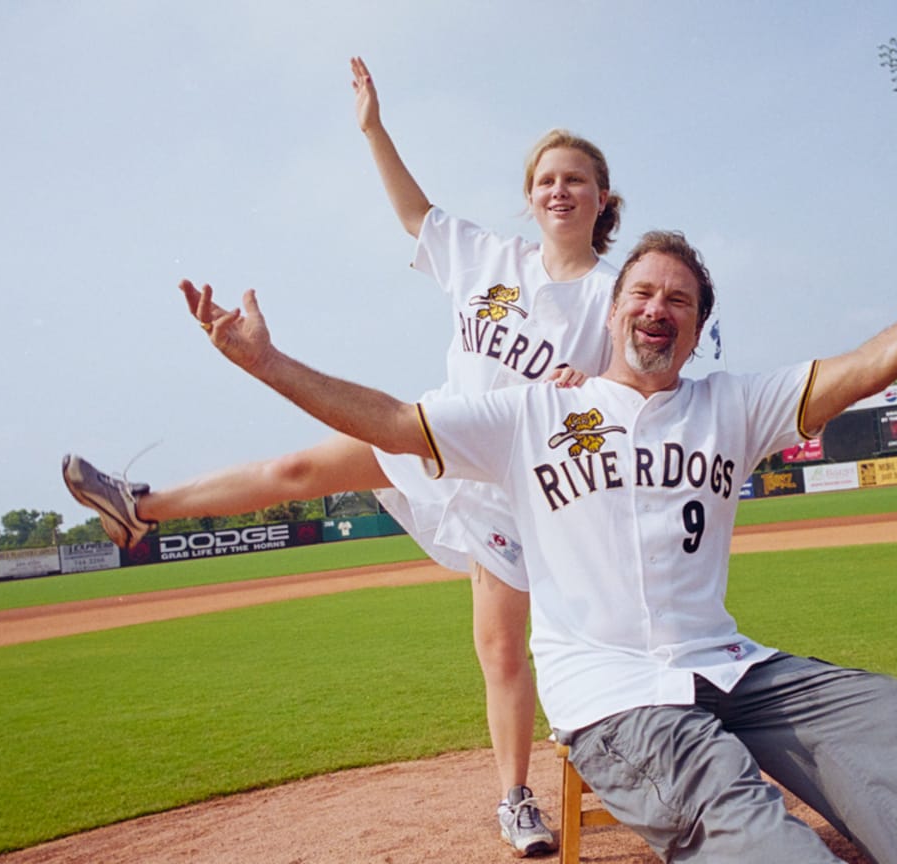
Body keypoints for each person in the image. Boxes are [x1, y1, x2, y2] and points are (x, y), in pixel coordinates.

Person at [185, 163, 897, 862]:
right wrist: (269, 363)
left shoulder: (733, 405)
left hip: (732, 668)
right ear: (610, 311)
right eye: (642, 293)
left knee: (888, 713)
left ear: (697, 325)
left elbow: (868, 365)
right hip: (614, 696)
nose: (657, 309)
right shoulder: (533, 415)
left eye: (679, 300)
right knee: (734, 810)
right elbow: (390, 422)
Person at [62, 57, 625, 856]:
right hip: (431, 437)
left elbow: (638, 381)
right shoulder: (488, 258)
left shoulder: (614, 292)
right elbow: (413, 213)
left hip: (524, 489)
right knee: (297, 472)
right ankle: (138, 505)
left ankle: (517, 797)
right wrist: (372, 128)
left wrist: (594, 380)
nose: (559, 190)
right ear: (531, 197)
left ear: (603, 198)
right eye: (545, 180)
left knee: (509, 649)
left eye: (576, 179)